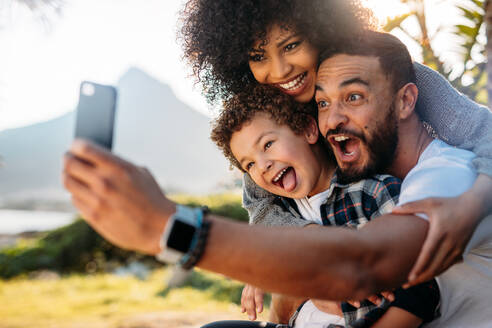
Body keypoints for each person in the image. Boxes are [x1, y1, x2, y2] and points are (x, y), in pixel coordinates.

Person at [62, 30, 492, 327]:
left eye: (354, 97)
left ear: (405, 100)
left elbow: (363, 265)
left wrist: (170, 227)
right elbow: (287, 226)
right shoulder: (335, 171)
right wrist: (276, 260)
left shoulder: (448, 175)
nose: (334, 119)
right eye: (321, 104)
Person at [179, 0, 492, 288]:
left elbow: (483, 132)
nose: (279, 70)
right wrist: (314, 245)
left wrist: (472, 205)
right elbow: (261, 209)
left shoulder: (386, 74)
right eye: (258, 56)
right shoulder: (266, 121)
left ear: (321, 30)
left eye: (291, 45)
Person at [208, 84, 439, 328]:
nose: (263, 165)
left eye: (267, 145)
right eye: (250, 165)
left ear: (308, 130)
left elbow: (421, 289)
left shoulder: (372, 193)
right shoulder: (283, 213)